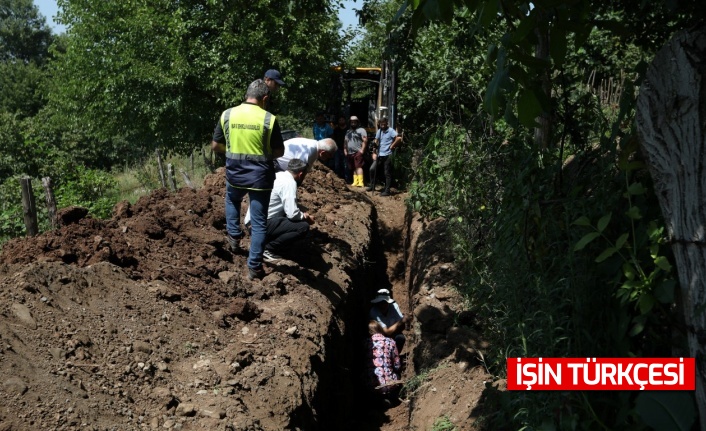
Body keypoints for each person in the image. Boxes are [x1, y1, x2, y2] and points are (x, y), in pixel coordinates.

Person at [211, 79, 284, 281]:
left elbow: (216, 145)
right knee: (259, 222)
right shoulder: (269, 119)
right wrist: (263, 153)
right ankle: (254, 268)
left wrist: (234, 151)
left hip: (234, 173)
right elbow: (279, 151)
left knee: (232, 200)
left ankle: (234, 238)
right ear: (265, 98)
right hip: (260, 177)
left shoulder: (227, 114)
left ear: (246, 95)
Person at [244, 158, 314, 262]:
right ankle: (268, 249)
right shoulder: (290, 183)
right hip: (260, 226)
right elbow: (292, 214)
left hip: (251, 222)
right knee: (303, 227)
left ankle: (264, 243)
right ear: (300, 174)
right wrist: (305, 217)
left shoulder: (278, 175)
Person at [365, 320, 402, 405]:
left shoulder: (366, 343)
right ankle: (389, 397)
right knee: (397, 375)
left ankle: (373, 400)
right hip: (388, 384)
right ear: (380, 329)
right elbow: (397, 365)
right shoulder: (390, 341)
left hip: (369, 385)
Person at [368, 117, 402, 196]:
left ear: (386, 123)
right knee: (372, 169)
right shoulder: (379, 131)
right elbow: (376, 141)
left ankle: (387, 190)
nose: (382, 125)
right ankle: (372, 185)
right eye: (381, 124)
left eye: (384, 124)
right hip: (380, 154)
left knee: (387, 172)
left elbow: (399, 138)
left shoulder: (390, 131)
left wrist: (392, 145)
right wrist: (374, 152)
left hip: (388, 154)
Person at [344, 115, 368, 187]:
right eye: (352, 122)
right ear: (350, 123)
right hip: (350, 152)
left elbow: (365, 140)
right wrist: (345, 149)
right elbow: (345, 141)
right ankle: (355, 181)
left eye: (355, 122)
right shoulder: (348, 131)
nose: (353, 123)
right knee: (353, 167)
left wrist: (362, 150)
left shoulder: (361, 130)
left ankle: (361, 182)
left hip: (358, 151)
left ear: (357, 122)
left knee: (358, 166)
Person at [332, 115, 348, 179]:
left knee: (346, 165)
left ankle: (347, 178)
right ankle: (337, 179)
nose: (341, 121)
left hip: (346, 149)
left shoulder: (348, 130)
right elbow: (333, 138)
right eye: (340, 120)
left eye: (342, 120)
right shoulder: (336, 129)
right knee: (337, 164)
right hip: (337, 149)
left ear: (345, 121)